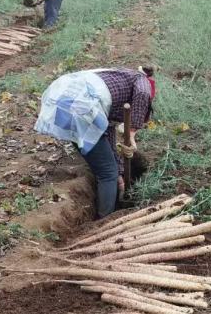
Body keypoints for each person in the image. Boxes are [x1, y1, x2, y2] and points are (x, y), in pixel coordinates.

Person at [35, 67, 156, 218]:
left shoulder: (116, 77)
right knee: (107, 173)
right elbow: (144, 93)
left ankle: (110, 194)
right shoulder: (141, 79)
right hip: (82, 107)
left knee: (110, 169)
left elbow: (108, 137)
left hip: (62, 97)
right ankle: (105, 218)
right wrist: (132, 133)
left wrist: (120, 175)